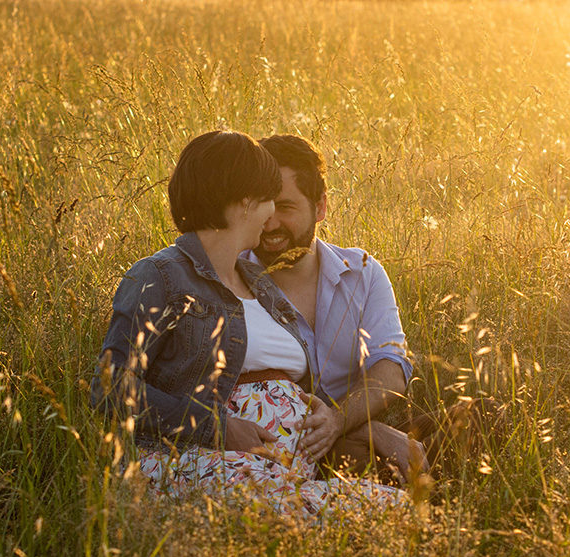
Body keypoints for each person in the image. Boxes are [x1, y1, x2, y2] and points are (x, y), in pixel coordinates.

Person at [91, 130, 404, 518]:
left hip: (285, 471)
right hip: (207, 463)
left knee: (393, 506)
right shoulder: (160, 276)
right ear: (244, 203)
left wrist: (360, 429)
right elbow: (110, 387)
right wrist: (218, 428)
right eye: (268, 199)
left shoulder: (260, 285)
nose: (271, 215)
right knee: (387, 511)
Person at [243, 135, 425, 481]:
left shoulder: (363, 272)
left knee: (485, 416)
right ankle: (407, 491)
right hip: (288, 445)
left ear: (321, 207)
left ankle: (416, 483)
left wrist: (341, 421)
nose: (270, 223)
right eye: (262, 206)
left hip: (356, 423)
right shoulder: (233, 279)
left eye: (285, 207)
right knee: (366, 465)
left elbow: (391, 367)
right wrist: (364, 432)